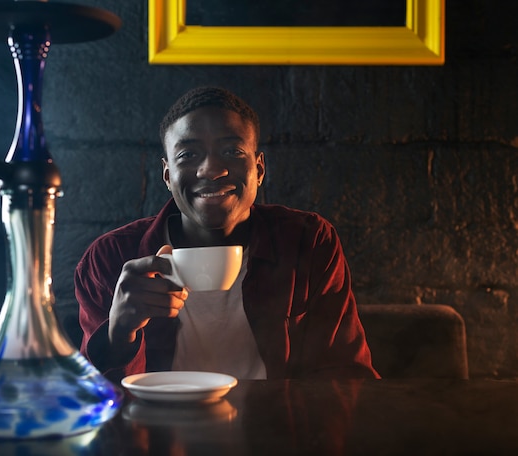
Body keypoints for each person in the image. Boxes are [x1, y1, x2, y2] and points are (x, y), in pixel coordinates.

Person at [75, 86, 380, 383]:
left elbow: (344, 376)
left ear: (259, 169)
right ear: (167, 175)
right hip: (154, 432)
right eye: (188, 154)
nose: (211, 169)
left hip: (277, 431)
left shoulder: (306, 242)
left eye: (232, 151)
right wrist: (120, 333)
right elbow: (87, 400)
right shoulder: (110, 258)